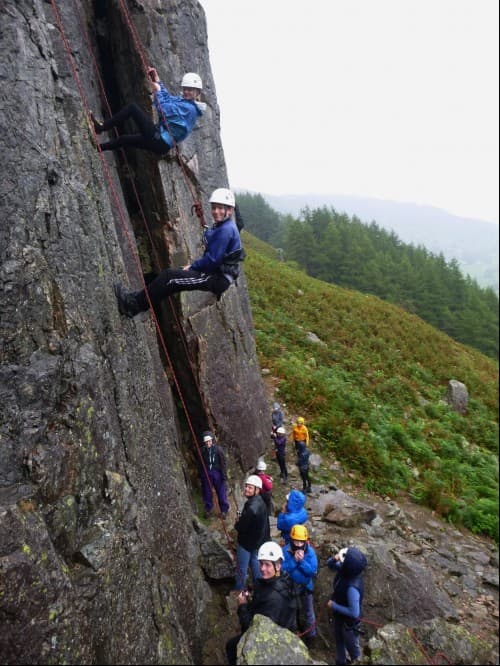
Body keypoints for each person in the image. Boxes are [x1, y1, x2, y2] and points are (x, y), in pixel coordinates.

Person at [113, 188, 245, 317]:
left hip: (216, 278)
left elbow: (212, 260)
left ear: (230, 210)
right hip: (215, 274)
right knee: (168, 280)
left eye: (220, 208)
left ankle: (132, 305)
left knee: (169, 277)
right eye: (214, 207)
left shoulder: (226, 230)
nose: (216, 212)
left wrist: (192, 266)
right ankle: (135, 301)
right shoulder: (225, 225)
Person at [91, 68, 204, 155]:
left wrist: (157, 91)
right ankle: (99, 148)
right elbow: (168, 99)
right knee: (125, 139)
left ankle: (101, 128)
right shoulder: (185, 102)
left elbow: (164, 110)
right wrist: (157, 80)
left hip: (160, 139)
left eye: (190, 90)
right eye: (185, 89)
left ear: (197, 93)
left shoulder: (190, 109)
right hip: (160, 142)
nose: (186, 92)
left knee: (132, 109)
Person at [225, 541, 298, 666]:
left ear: (278, 566)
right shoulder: (284, 579)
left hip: (270, 641)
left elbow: (252, 629)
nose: (262, 568)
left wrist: (242, 605)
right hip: (282, 629)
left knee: (231, 647)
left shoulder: (274, 600)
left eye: (267, 565)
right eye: (261, 563)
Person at [327, 547, 368, 666]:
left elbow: (354, 612)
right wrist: (334, 559)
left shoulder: (352, 588)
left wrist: (334, 605)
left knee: (354, 651)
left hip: (349, 624)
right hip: (340, 617)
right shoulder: (345, 571)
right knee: (339, 640)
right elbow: (329, 565)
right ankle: (341, 661)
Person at [282, 524, 318, 645]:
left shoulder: (310, 552)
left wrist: (301, 561)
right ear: (291, 540)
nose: (298, 545)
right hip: (290, 587)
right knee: (291, 612)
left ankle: (311, 637)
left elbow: (312, 571)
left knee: (309, 612)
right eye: (295, 541)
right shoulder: (286, 551)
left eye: (300, 542)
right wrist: (294, 561)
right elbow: (281, 569)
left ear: (305, 541)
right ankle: (294, 635)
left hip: (305, 587)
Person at [233, 475, 269, 591]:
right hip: (258, 541)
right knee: (255, 564)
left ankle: (239, 591)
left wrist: (238, 521)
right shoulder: (261, 502)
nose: (247, 489)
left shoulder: (251, 508)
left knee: (241, 569)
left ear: (257, 490)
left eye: (250, 488)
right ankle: (259, 588)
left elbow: (241, 527)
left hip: (246, 543)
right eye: (246, 487)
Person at [198, 431, 229, 519]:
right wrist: (200, 473)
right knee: (207, 491)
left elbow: (223, 462)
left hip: (217, 472)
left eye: (209, 441)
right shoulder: (203, 451)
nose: (208, 443)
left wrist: (223, 474)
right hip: (207, 472)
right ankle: (209, 509)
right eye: (206, 442)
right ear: (204, 442)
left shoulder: (218, 450)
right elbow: (200, 463)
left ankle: (224, 510)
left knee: (221, 491)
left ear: (212, 441)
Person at [255, 460, 273, 539]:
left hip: (261, 494)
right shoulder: (262, 477)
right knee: (268, 505)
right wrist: (270, 481)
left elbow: (264, 476)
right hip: (265, 494)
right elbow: (269, 487)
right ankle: (268, 515)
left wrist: (268, 477)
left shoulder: (257, 476)